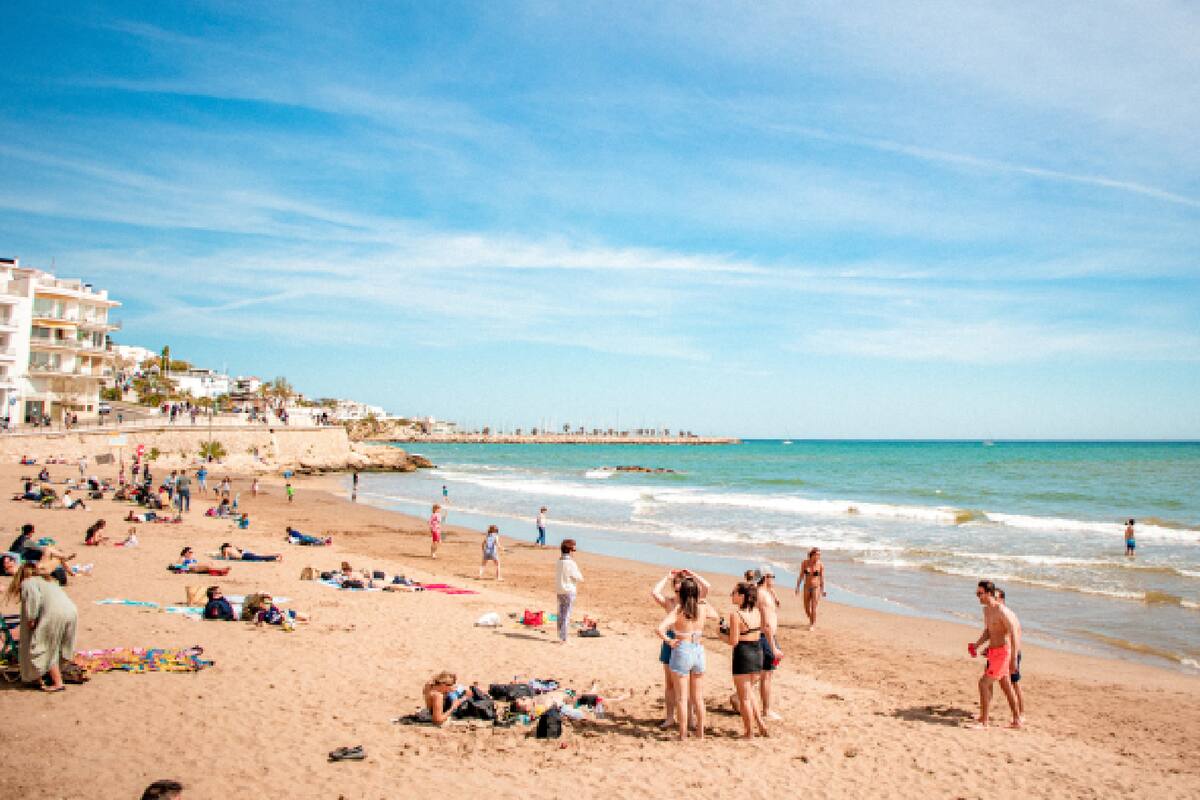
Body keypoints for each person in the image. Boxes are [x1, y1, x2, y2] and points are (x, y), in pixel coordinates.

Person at [656, 575, 718, 740]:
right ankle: (700, 733)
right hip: (698, 649)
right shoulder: (702, 608)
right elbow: (717, 615)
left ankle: (682, 734)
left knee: (682, 698)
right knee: (698, 697)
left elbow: (660, 629)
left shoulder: (679, 610)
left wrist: (669, 640)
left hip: (682, 648)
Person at [5, 562, 78, 691]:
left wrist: (31, 618)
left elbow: (34, 598)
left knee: (45, 646)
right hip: (71, 611)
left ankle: (57, 682)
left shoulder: (28, 582)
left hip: (54, 613)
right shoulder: (49, 581)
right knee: (58, 645)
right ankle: (50, 676)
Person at [970, 580, 1019, 729]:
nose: (978, 596)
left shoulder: (1002, 611)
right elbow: (988, 631)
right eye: (977, 593)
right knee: (1006, 686)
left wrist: (1014, 659)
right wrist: (977, 645)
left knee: (983, 683)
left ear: (989, 593)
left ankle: (984, 722)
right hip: (993, 652)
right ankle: (1017, 720)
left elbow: (1014, 633)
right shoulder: (986, 610)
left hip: (1003, 653)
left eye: (980, 593)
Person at [725, 581, 769, 738]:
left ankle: (749, 732)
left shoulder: (736, 615)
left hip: (743, 654)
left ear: (742, 596)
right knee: (750, 693)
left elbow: (734, 641)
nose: (732, 595)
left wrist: (721, 635)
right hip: (757, 652)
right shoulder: (757, 612)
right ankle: (761, 723)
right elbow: (763, 629)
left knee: (744, 698)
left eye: (734, 593)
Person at [748, 566, 784, 721]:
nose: (774, 579)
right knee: (766, 675)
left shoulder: (761, 592)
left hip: (765, 635)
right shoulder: (762, 595)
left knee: (760, 673)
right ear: (766, 577)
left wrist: (774, 595)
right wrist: (773, 646)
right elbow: (766, 622)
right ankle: (766, 710)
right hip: (765, 636)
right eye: (773, 576)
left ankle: (738, 696)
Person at [555, 539, 583, 643]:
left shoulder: (559, 561)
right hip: (569, 590)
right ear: (570, 550)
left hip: (560, 589)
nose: (574, 552)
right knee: (566, 614)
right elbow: (578, 577)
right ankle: (564, 638)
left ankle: (561, 635)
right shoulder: (571, 563)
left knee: (561, 613)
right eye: (573, 550)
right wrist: (578, 577)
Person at [795, 547, 827, 627]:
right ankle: (811, 619)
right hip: (806, 587)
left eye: (819, 555)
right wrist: (798, 587)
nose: (818, 556)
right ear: (812, 555)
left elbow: (822, 578)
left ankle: (813, 624)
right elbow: (801, 575)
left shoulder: (820, 565)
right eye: (816, 555)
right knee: (806, 607)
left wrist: (823, 590)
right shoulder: (805, 563)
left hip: (816, 587)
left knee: (813, 607)